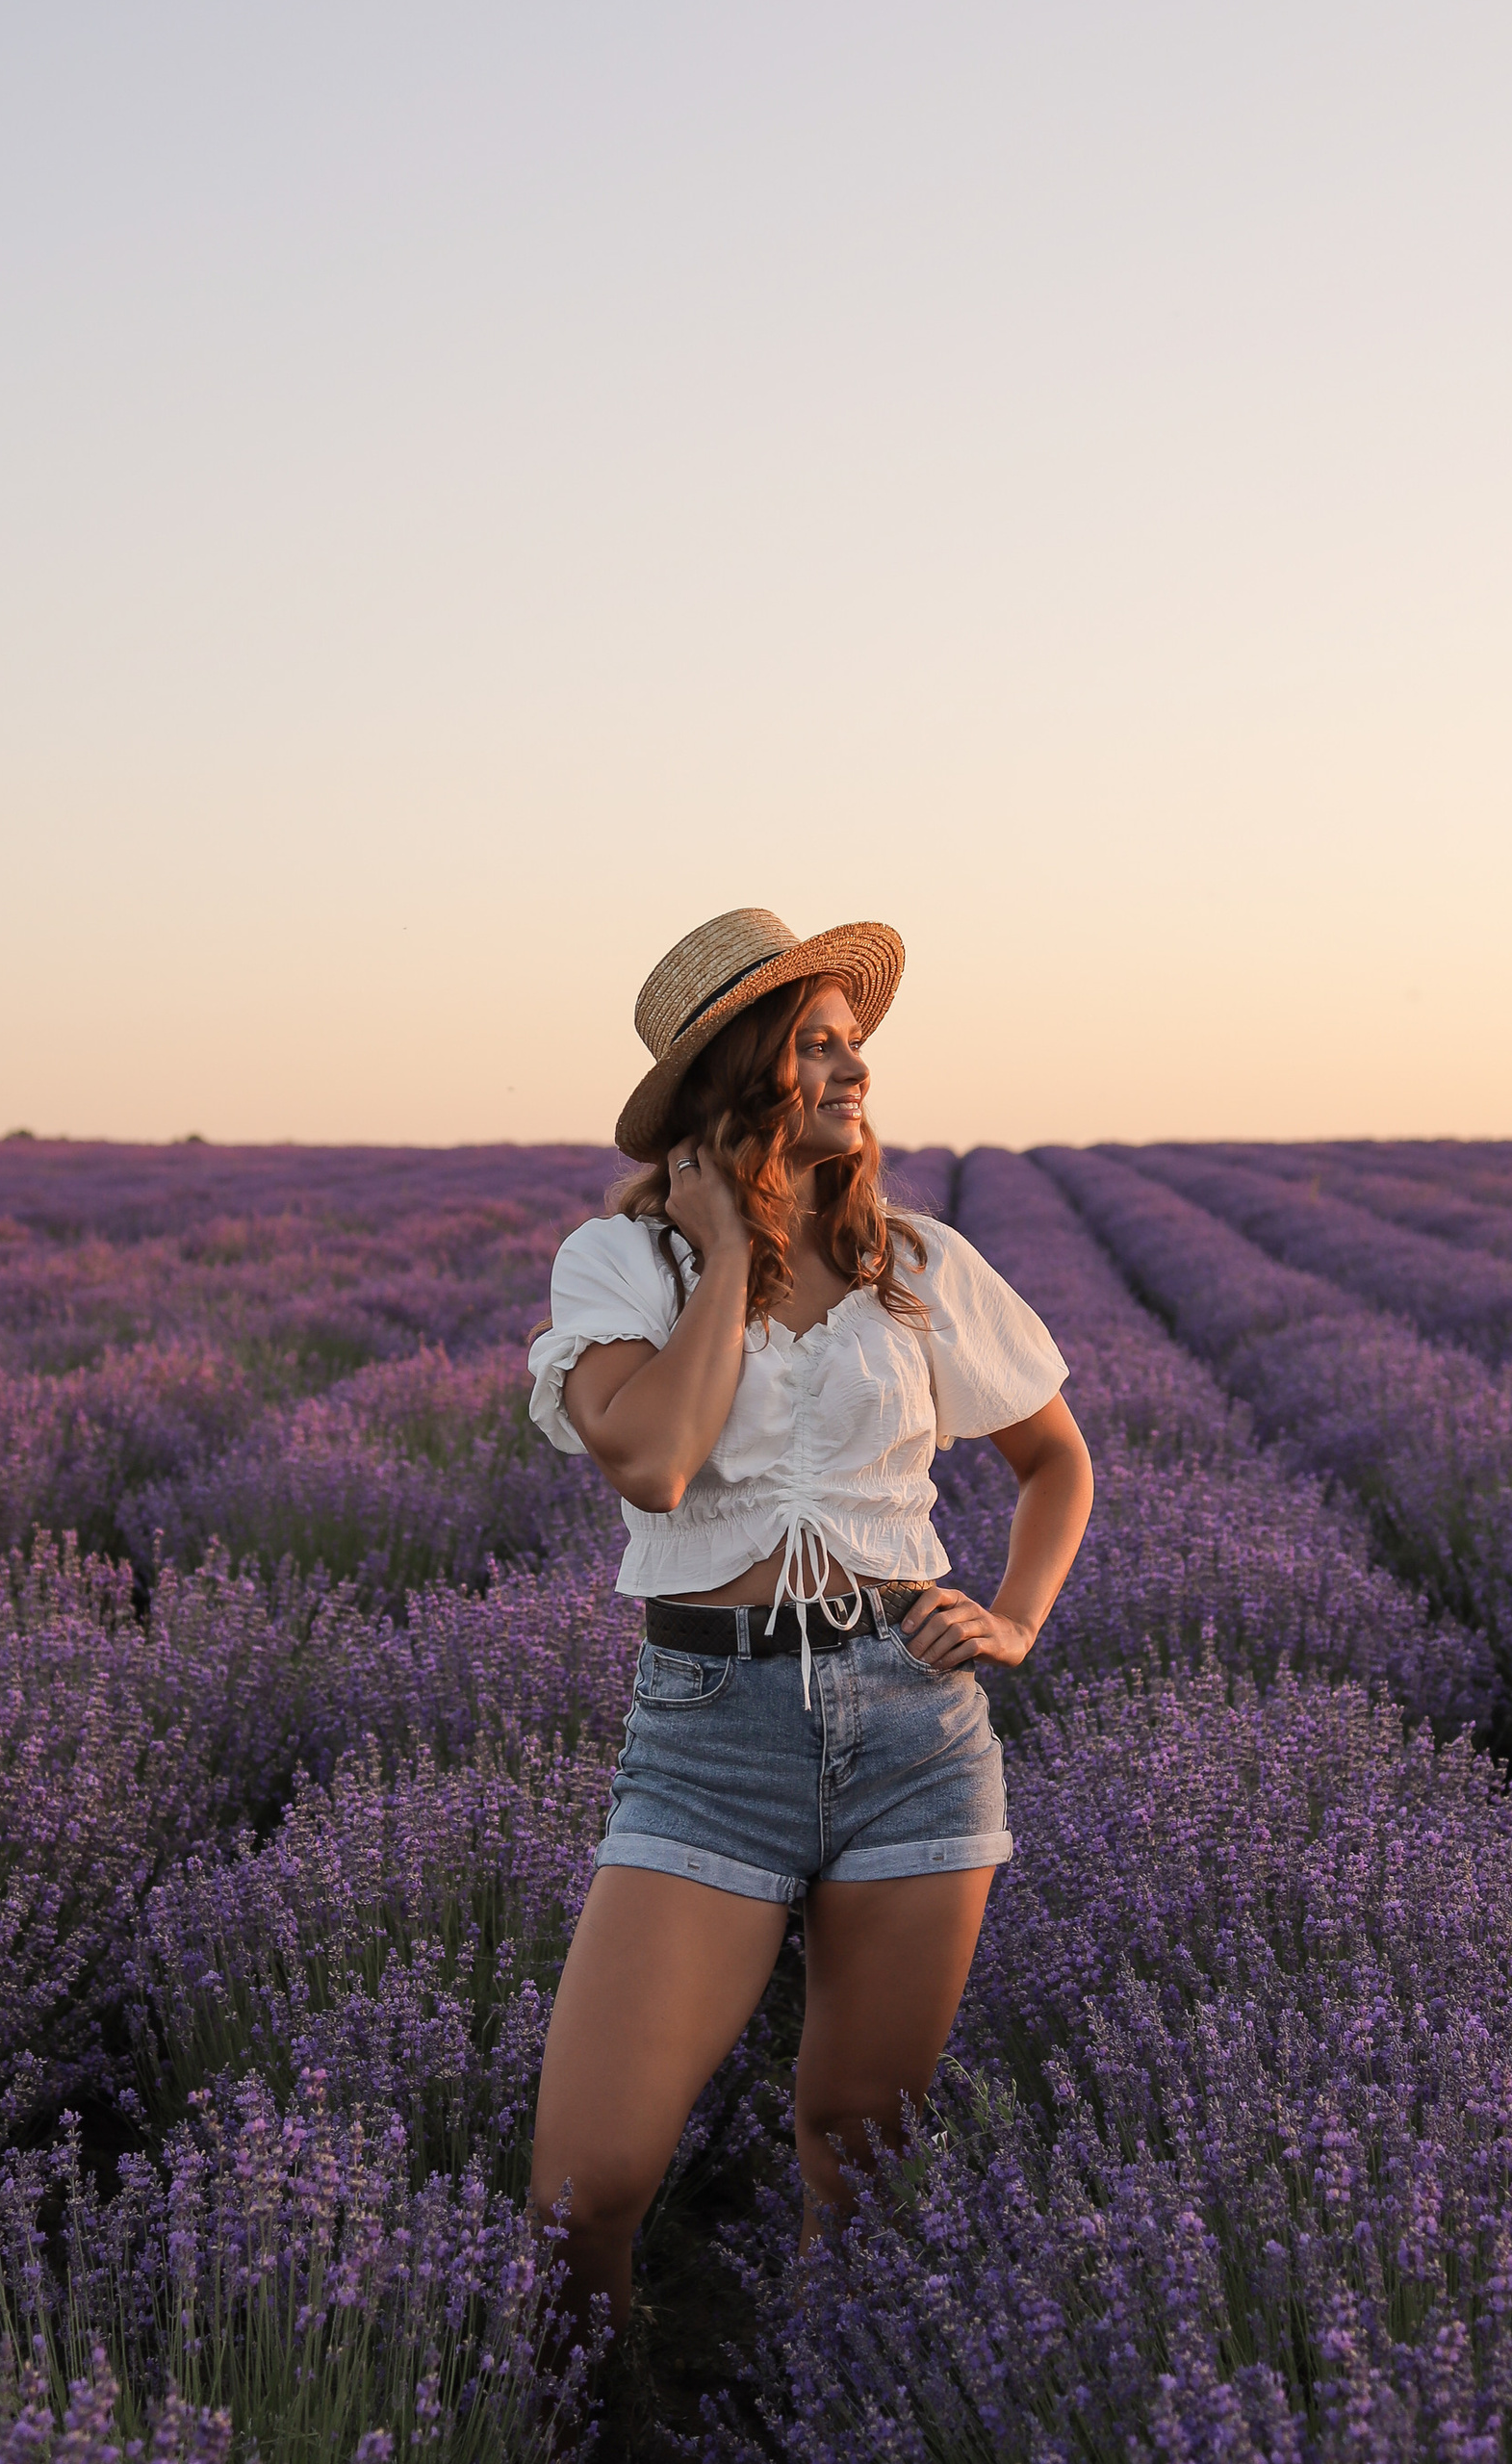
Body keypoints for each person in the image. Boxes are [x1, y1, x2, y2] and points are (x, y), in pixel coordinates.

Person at [524, 907, 1094, 2338]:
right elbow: (652, 1462)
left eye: (856, 1045)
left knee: (862, 2149)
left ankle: (844, 2400)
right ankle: (584, 2418)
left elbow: (1056, 1462)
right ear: (743, 1078)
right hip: (711, 1738)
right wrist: (726, 1250)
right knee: (582, 2193)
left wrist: (1015, 1620)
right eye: (821, 1047)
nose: (856, 1073)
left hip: (913, 1724)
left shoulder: (918, 1261)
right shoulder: (621, 1270)